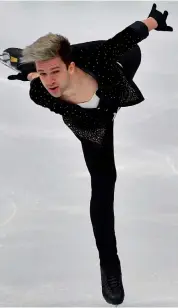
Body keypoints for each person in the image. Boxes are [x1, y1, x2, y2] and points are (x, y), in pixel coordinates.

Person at [6, 3, 173, 306]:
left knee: (120, 49)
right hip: (93, 124)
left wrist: (154, 21)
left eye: (54, 71)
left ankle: (31, 62)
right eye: (44, 74)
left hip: (117, 65)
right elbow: (85, 116)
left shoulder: (98, 57)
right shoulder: (42, 92)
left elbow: (130, 36)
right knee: (104, 181)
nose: (50, 81)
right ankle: (109, 264)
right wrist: (34, 76)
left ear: (69, 68)